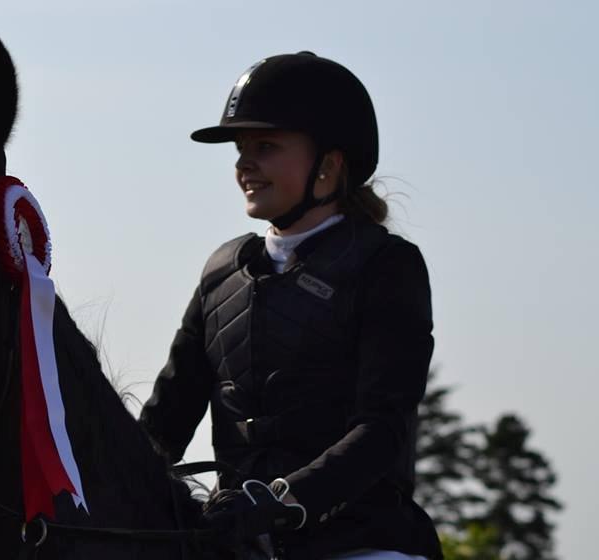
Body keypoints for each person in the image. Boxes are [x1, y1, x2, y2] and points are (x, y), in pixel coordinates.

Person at [139, 52, 443, 560]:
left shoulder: (386, 266)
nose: (244, 164)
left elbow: (383, 428)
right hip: (240, 545)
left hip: (361, 545)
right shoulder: (221, 272)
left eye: (266, 147)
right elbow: (164, 423)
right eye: (241, 149)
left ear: (329, 165)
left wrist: (283, 501)